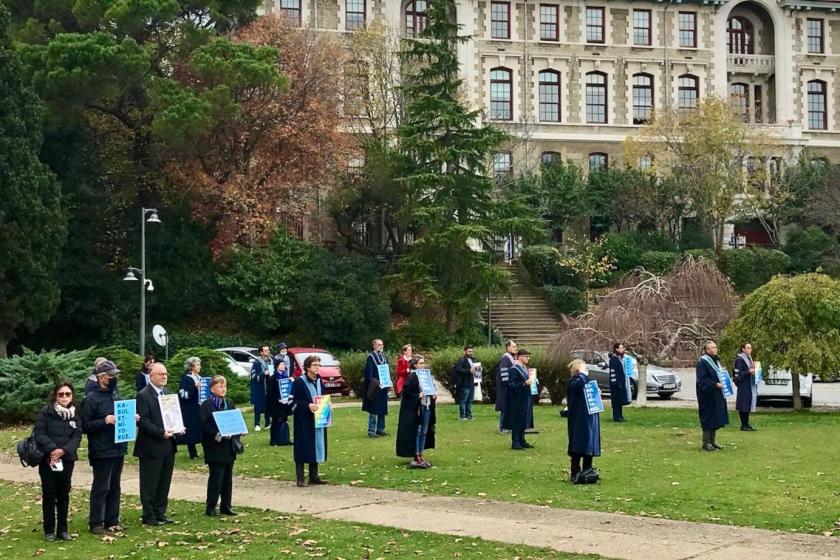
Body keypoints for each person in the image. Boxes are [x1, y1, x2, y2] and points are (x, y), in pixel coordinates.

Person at [81, 359, 129, 534]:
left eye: (115, 375)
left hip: (118, 446)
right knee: (102, 486)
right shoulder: (92, 398)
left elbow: (123, 411)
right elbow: (85, 425)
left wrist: (131, 417)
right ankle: (96, 522)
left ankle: (112, 520)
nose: (114, 378)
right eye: (111, 375)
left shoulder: (115, 394)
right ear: (101, 377)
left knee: (115, 485)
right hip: (101, 449)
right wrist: (104, 421)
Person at [34, 381, 82, 542]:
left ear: (72, 396)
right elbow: (39, 434)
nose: (64, 397)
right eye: (61, 394)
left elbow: (77, 436)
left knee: (63, 494)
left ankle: (63, 529)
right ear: (56, 396)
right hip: (48, 459)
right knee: (49, 494)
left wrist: (64, 450)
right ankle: (49, 530)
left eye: (67, 394)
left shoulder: (76, 414)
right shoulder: (46, 412)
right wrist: (53, 450)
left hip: (67, 459)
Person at [134, 363, 179, 525]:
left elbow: (173, 416)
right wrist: (161, 432)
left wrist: (178, 427)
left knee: (164, 480)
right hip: (151, 445)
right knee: (150, 482)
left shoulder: (168, 393)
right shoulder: (143, 395)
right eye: (160, 374)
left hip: (168, 445)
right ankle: (149, 514)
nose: (164, 377)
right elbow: (143, 421)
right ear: (151, 376)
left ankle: (161, 512)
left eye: (165, 374)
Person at [200, 376, 239, 516]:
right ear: (212, 389)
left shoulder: (229, 402)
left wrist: (238, 431)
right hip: (214, 447)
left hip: (229, 447)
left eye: (225, 386)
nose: (223, 389)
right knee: (216, 477)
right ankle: (211, 506)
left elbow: (235, 420)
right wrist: (218, 434)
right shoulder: (207, 405)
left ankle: (226, 506)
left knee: (227, 478)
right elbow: (204, 425)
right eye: (220, 386)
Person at [292, 356, 328, 487]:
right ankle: (300, 477)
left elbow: (322, 397)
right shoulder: (299, 382)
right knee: (302, 447)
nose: (317, 367)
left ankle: (314, 475)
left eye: (319, 364)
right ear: (307, 367)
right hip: (303, 420)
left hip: (318, 418)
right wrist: (307, 406)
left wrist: (326, 407)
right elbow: (292, 402)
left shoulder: (319, 381)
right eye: (314, 365)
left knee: (316, 446)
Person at [396, 356, 437, 468]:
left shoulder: (426, 376)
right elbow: (406, 393)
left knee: (424, 431)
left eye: (424, 363)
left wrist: (434, 394)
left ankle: (421, 452)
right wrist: (417, 396)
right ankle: (416, 454)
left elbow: (431, 388)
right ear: (415, 365)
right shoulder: (412, 377)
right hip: (418, 407)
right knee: (418, 431)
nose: (423, 365)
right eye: (420, 363)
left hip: (427, 405)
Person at [566, 359, 601, 483]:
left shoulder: (587, 379)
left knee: (590, 443)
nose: (586, 369)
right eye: (583, 367)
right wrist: (581, 374)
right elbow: (579, 385)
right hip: (578, 418)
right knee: (578, 443)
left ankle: (588, 469)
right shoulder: (573, 382)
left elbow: (591, 390)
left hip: (590, 416)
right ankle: (575, 472)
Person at [696, 341, 729, 452]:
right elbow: (702, 379)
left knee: (715, 417)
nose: (715, 349)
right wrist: (715, 384)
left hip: (717, 393)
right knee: (708, 417)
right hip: (707, 394)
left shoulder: (716, 360)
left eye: (715, 347)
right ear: (707, 350)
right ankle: (706, 443)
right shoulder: (703, 361)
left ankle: (712, 441)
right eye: (712, 348)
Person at [502, 349, 535, 450]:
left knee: (523, 419)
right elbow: (511, 384)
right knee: (517, 420)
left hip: (525, 397)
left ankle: (522, 440)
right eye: (526, 356)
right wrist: (524, 383)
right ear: (520, 357)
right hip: (516, 399)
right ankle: (515, 442)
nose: (528, 358)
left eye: (528, 356)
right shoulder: (514, 369)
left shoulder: (526, 368)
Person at [177, 357, 203, 459]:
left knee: (202, 428)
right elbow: (183, 394)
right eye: (197, 365)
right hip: (189, 410)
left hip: (199, 408)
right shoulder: (186, 379)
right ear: (192, 367)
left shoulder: (200, 378)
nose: (199, 366)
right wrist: (194, 387)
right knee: (191, 431)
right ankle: (193, 453)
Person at [362, 339, 389, 438]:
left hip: (383, 387)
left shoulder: (384, 356)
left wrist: (387, 381)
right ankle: (371, 430)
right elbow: (368, 375)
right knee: (373, 409)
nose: (381, 346)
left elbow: (386, 370)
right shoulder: (371, 357)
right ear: (374, 346)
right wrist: (377, 383)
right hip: (374, 387)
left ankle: (380, 429)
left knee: (382, 407)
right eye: (378, 345)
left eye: (382, 344)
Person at [266, 359, 293, 445]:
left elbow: (289, 389)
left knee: (284, 420)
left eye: (284, 364)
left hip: (284, 404)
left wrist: (292, 382)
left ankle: (285, 439)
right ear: (277, 366)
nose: (283, 366)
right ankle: (274, 440)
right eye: (281, 364)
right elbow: (269, 393)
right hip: (275, 404)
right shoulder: (273, 378)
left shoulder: (286, 377)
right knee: (276, 421)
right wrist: (278, 399)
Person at [733, 342, 758, 432]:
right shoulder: (740, 359)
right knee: (743, 404)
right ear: (743, 349)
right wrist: (748, 371)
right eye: (748, 348)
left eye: (750, 348)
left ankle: (746, 424)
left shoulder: (749, 358)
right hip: (743, 384)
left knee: (747, 404)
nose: (750, 350)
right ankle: (743, 425)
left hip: (749, 384)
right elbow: (738, 374)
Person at [250, 345, 273, 432]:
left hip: (269, 386)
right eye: (266, 350)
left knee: (268, 405)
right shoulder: (257, 363)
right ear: (261, 352)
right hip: (259, 387)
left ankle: (268, 423)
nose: (268, 351)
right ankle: (257, 424)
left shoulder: (271, 361)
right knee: (258, 406)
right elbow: (253, 375)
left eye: (268, 350)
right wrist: (263, 373)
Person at [495, 340, 517, 434]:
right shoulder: (505, 358)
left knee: (509, 407)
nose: (515, 348)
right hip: (505, 387)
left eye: (516, 346)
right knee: (505, 407)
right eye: (513, 346)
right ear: (508, 348)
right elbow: (503, 372)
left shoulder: (512, 358)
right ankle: (502, 427)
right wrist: (508, 384)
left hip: (510, 387)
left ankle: (508, 426)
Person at [453, 346, 476, 420]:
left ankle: (469, 415)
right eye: (469, 351)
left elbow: (474, 370)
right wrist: (468, 370)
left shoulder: (473, 360)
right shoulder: (461, 360)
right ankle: (462, 416)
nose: (471, 353)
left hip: (472, 383)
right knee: (463, 400)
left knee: (470, 400)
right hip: (465, 383)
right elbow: (458, 370)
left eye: (472, 351)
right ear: (465, 351)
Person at [608, 343, 630, 422]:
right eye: (621, 348)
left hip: (621, 383)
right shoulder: (613, 359)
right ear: (616, 349)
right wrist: (617, 383)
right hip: (616, 385)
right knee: (616, 401)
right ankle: (616, 417)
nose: (622, 349)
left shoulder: (620, 359)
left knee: (620, 401)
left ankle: (620, 416)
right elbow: (613, 373)